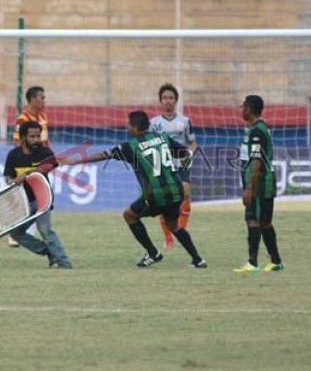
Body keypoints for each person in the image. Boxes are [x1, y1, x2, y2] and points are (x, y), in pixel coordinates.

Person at [60, 111, 207, 268]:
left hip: (156, 195)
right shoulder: (162, 138)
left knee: (129, 215)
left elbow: (104, 154)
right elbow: (185, 153)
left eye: (128, 124)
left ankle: (153, 252)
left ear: (135, 127)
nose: (127, 126)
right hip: (175, 191)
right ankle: (198, 260)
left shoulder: (131, 146)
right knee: (174, 226)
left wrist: (75, 161)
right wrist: (182, 174)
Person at [4, 121, 73, 269]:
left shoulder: (45, 152)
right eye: (32, 136)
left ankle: (64, 262)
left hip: (42, 198)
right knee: (15, 233)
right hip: (24, 202)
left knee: (44, 229)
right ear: (22, 138)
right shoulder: (13, 155)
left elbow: (49, 166)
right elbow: (8, 179)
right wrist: (14, 181)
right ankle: (48, 251)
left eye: (38, 136)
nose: (36, 140)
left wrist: (29, 173)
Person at [233, 95, 284, 273]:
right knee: (262, 221)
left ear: (250, 109)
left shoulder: (257, 132)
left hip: (260, 183)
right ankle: (276, 261)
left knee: (254, 220)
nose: (242, 110)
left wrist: (249, 188)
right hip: (259, 182)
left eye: (244, 107)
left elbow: (256, 161)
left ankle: (253, 262)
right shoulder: (256, 129)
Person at [150, 83, 197, 250]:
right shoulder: (154, 123)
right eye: (164, 98)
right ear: (160, 101)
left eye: (170, 98)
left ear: (176, 100)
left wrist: (189, 156)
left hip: (181, 165)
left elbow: (192, 143)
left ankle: (181, 230)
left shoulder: (184, 121)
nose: (167, 101)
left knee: (186, 193)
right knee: (164, 201)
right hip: (162, 166)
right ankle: (168, 237)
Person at [9, 86, 51, 247]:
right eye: (42, 97)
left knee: (40, 199)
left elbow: (46, 141)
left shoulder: (43, 118)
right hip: (27, 165)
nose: (44, 100)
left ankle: (23, 234)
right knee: (27, 198)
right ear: (32, 99)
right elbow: (18, 143)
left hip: (42, 164)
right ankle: (15, 232)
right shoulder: (22, 120)